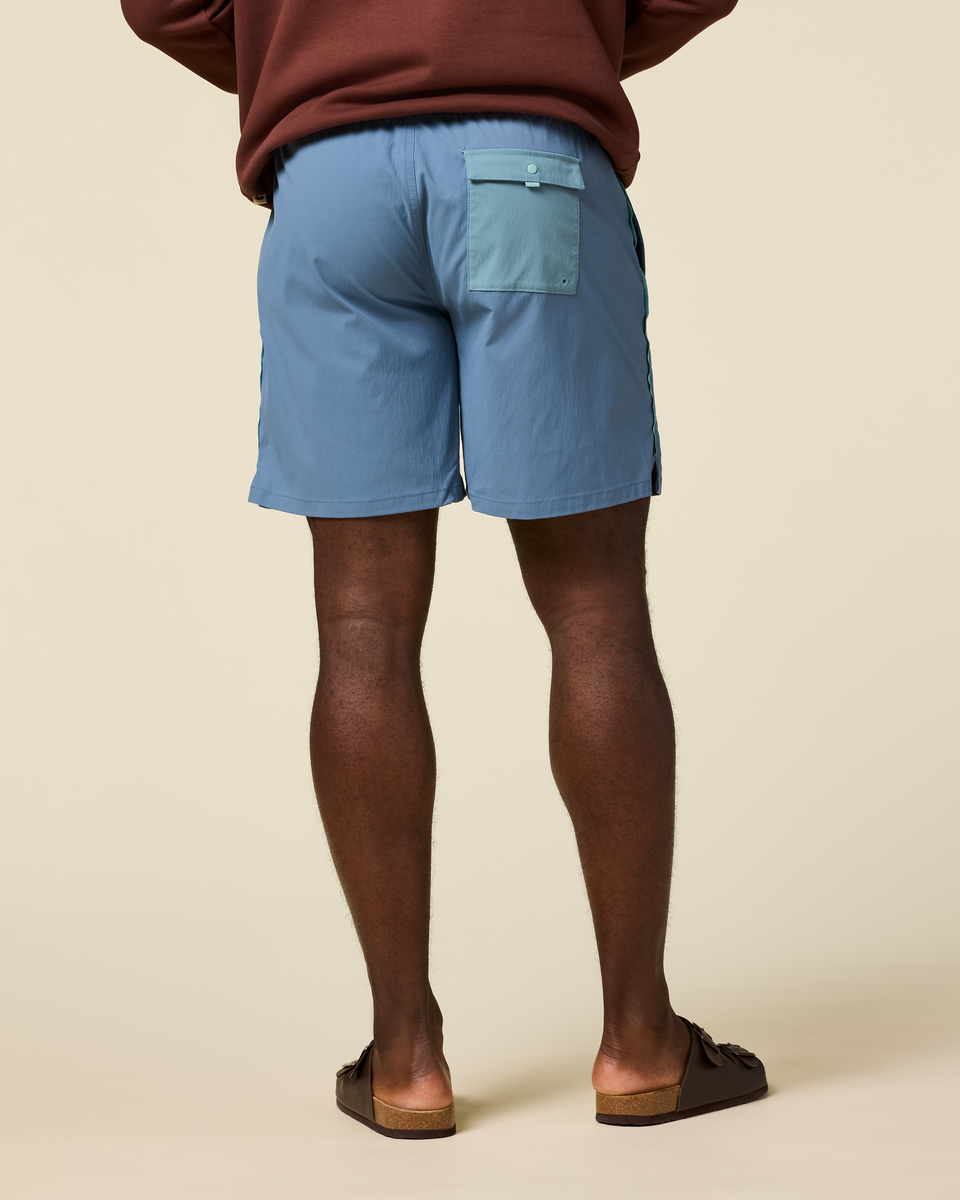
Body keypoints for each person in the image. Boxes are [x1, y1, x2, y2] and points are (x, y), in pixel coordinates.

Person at [121, 0, 767, 1139]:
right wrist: (563, 32)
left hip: (332, 185)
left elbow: (162, 3)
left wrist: (304, 52)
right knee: (596, 612)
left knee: (361, 630)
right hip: (527, 161)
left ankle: (406, 1058)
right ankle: (639, 1042)